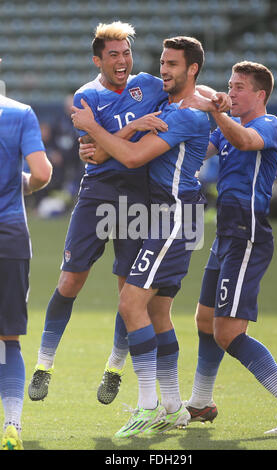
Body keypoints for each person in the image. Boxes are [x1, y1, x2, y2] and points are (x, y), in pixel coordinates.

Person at [71, 36, 212, 438]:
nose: (164, 70)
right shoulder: (172, 105)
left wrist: (92, 127)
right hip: (164, 216)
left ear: (192, 70)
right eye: (163, 62)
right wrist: (95, 147)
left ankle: (148, 406)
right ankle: (173, 407)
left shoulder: (185, 114)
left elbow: (132, 157)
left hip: (173, 215)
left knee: (131, 302)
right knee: (157, 312)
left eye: (173, 65)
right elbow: (110, 152)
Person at [27, 21, 171, 402]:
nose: (122, 60)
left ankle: (114, 368)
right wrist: (135, 127)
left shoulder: (151, 86)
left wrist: (215, 100)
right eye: (114, 55)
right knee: (70, 281)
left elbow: (186, 92)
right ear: (98, 60)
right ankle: (44, 364)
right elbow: (100, 153)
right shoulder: (85, 97)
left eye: (126, 53)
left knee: (129, 292)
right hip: (99, 192)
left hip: (139, 193)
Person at [179, 61, 277, 434]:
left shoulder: (269, 125)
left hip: (248, 235)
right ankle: (200, 402)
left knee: (229, 332)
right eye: (230, 86)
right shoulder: (228, 126)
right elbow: (200, 151)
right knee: (204, 319)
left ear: (260, 94)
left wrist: (216, 111)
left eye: (240, 87)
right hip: (226, 236)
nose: (231, 92)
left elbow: (244, 141)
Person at [0, 57, 52, 450]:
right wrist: (24, 184)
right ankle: (12, 425)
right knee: (7, 340)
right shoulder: (20, 113)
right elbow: (43, 173)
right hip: (10, 239)